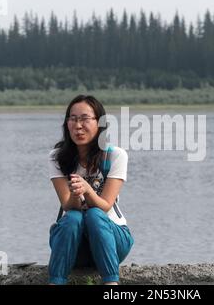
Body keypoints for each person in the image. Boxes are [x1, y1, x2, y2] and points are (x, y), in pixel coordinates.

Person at [48, 95, 134, 285]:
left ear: (100, 123)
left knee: (95, 214)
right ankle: (56, 282)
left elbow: (105, 205)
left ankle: (111, 283)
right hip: (73, 245)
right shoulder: (57, 157)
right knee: (72, 217)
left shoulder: (115, 156)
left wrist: (87, 189)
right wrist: (76, 195)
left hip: (113, 240)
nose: (78, 125)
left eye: (85, 119)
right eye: (73, 118)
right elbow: (67, 204)